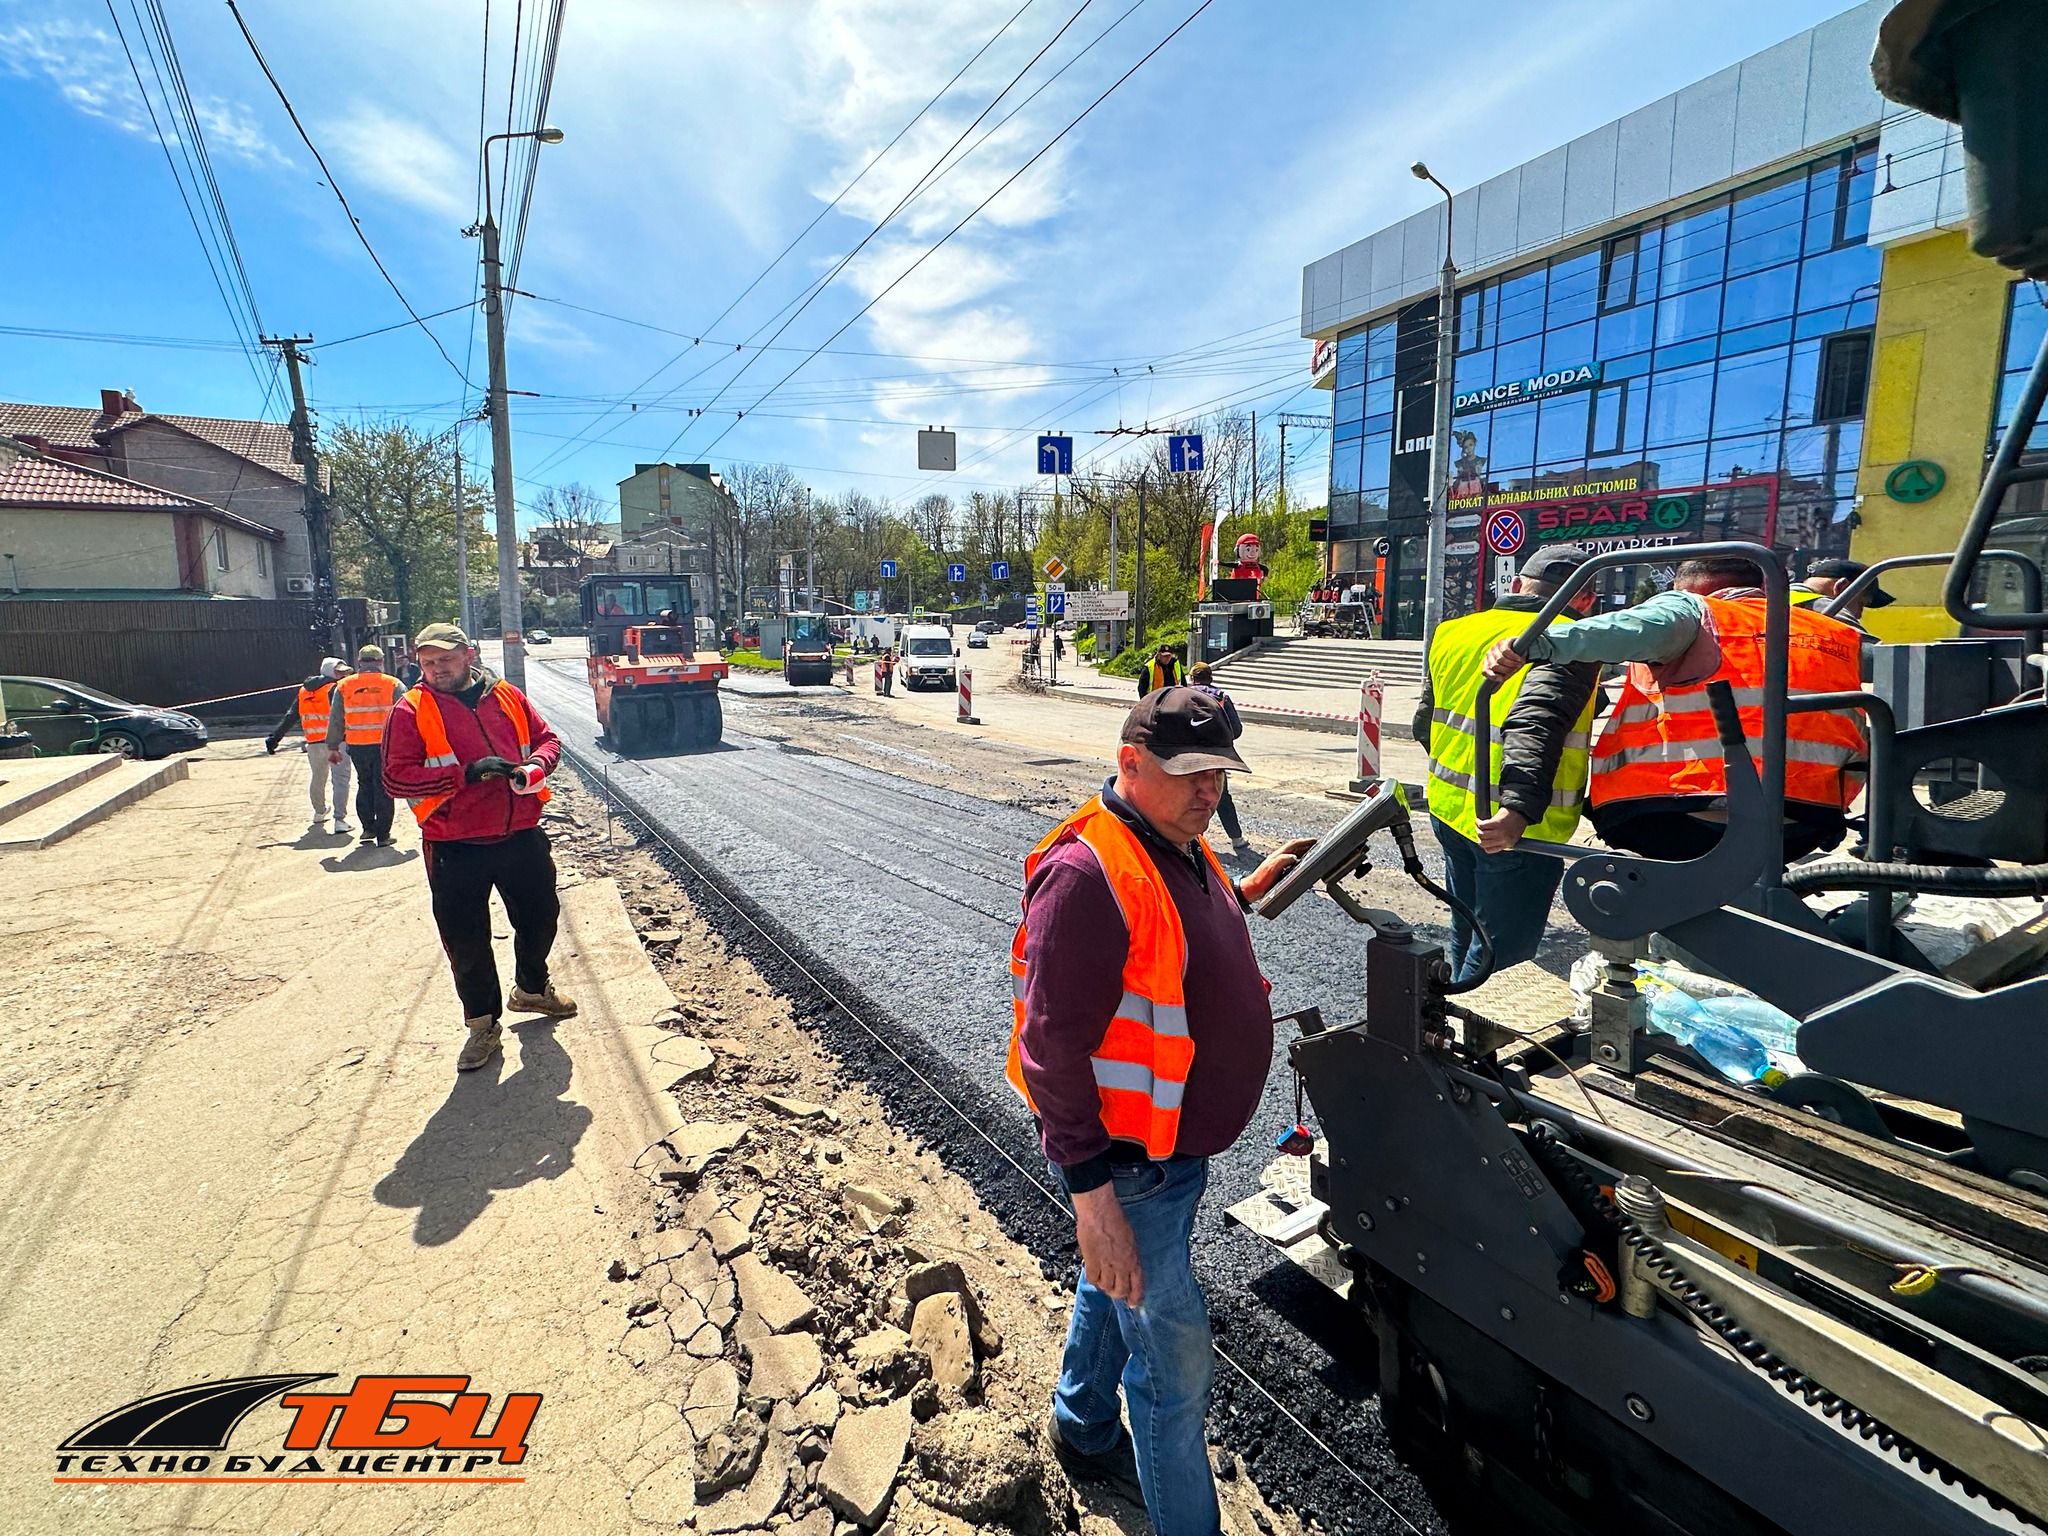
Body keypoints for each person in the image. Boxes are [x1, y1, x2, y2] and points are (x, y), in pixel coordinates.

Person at [1008, 688, 1309, 1536]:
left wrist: (1246, 892)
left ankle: (1081, 1425)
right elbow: (1050, 1052)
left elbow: (1172, 935)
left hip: (1172, 1155)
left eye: (1219, 771)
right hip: (1130, 1167)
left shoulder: (1177, 841)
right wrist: (1093, 1200)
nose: (1208, 789)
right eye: (1188, 773)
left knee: (1113, 1292)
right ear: (1129, 764)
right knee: (1173, 1372)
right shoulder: (1087, 875)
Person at [1483, 555, 1866, 863]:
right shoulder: (1831, 632)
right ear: (1761, 588)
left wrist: (1528, 644)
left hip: (1682, 816)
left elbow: (1615, 631)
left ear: (1687, 587)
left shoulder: (1693, 609)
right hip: (1806, 824)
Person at [382, 623, 576, 1072]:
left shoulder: (505, 695)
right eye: (427, 662)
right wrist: (463, 775)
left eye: (445, 660)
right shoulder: (410, 711)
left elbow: (548, 740)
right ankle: (483, 1024)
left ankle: (531, 988)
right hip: (454, 844)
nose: (436, 669)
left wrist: (533, 768)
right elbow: (394, 779)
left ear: (468, 655)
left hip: (519, 833)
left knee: (541, 917)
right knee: (466, 941)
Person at [1414, 545, 1601, 982]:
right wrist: (1516, 809)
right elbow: (1539, 723)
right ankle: (1477, 1039)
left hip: (1450, 809)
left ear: (1515, 586)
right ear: (1586, 600)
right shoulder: (1572, 638)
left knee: (1467, 927)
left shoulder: (1453, 631)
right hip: (1519, 828)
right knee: (1502, 958)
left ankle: (1456, 1018)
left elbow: (1425, 721)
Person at [328, 643, 406, 847]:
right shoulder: (393, 684)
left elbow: (336, 719)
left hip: (357, 745)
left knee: (364, 784)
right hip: (385, 746)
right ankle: (383, 835)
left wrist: (333, 746)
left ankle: (368, 829)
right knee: (383, 787)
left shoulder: (344, 686)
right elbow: (406, 715)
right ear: (380, 662)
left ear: (360, 662)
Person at [265, 657, 353, 835]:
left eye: (344, 672)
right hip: (335, 742)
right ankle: (339, 820)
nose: (343, 675)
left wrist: (274, 738)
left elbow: (290, 716)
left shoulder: (304, 691)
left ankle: (319, 812)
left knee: (318, 778)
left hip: (313, 743)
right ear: (330, 672)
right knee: (340, 780)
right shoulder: (335, 689)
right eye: (339, 672)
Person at [1187, 661, 1254, 859]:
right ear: (1211, 678)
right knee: (1221, 797)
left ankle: (1190, 837)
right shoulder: (1222, 697)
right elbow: (1237, 729)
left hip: (1188, 756)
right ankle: (1236, 838)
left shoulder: (1182, 695)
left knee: (1188, 795)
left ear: (1192, 678)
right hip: (1217, 757)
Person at [1792, 556, 1895, 627]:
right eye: (1861, 604)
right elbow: (1870, 652)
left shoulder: (1778, 599)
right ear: (1841, 587)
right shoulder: (1822, 608)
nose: (1859, 615)